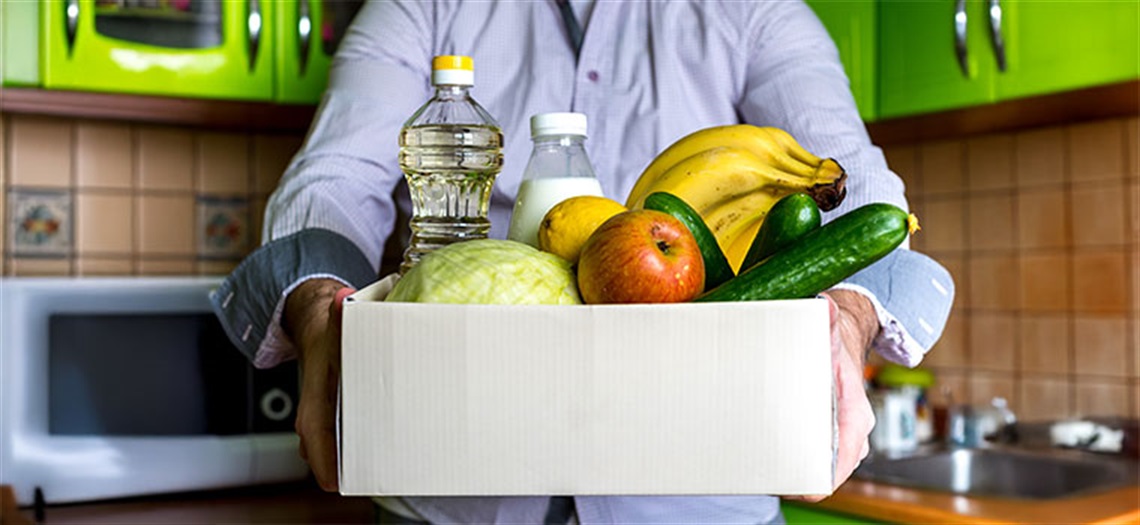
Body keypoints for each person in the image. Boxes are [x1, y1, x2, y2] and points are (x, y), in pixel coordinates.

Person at [210, 1, 955, 523]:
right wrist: (318, 316)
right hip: (450, 491)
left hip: (700, 504)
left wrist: (850, 322)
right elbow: (333, 181)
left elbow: (860, 193)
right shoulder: (421, 7)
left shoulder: (754, 11)